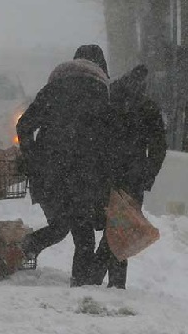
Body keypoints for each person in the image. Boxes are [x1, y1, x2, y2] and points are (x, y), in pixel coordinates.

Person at [16, 44, 115, 287]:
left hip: (49, 171)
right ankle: (80, 286)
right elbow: (109, 140)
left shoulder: (53, 89)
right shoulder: (101, 93)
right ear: (101, 67)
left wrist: (33, 159)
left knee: (61, 224)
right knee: (82, 234)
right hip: (83, 173)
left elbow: (24, 126)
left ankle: (22, 250)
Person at [93, 64, 167, 289]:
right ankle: (107, 280)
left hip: (106, 175)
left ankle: (98, 278)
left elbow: (94, 139)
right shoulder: (147, 107)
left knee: (114, 228)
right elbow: (158, 147)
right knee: (122, 229)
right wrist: (148, 173)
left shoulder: (107, 103)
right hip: (132, 177)